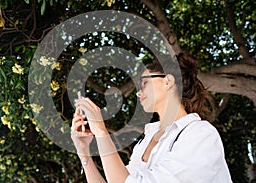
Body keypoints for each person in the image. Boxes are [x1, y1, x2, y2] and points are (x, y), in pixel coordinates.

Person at [71, 53, 233, 183]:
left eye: (144, 84)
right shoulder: (146, 141)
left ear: (168, 81)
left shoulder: (199, 134)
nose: (138, 92)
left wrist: (101, 131)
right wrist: (84, 154)